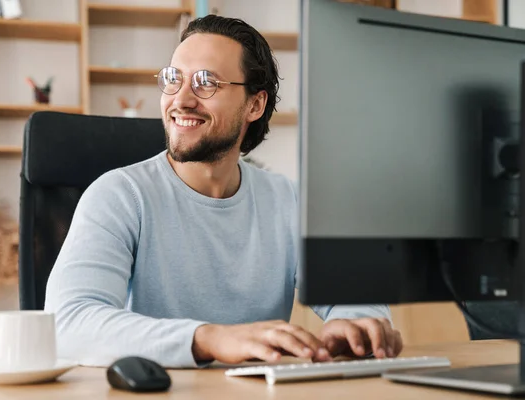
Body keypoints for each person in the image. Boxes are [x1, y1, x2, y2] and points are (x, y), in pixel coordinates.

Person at [44, 14, 403, 368]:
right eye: (173, 79)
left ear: (254, 105)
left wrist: (352, 324)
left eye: (206, 82)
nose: (180, 100)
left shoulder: (288, 200)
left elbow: (359, 297)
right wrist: (209, 339)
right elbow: (67, 322)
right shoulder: (119, 196)